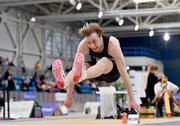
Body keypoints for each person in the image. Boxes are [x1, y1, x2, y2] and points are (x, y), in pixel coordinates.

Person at [52, 22, 142, 113]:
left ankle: (82, 75)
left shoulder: (112, 44)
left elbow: (124, 73)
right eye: (89, 43)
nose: (92, 46)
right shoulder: (83, 45)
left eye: (94, 41)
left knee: (104, 60)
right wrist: (69, 95)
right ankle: (64, 82)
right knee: (83, 66)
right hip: (94, 71)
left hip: (112, 72)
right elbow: (75, 70)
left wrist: (131, 98)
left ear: (100, 36)